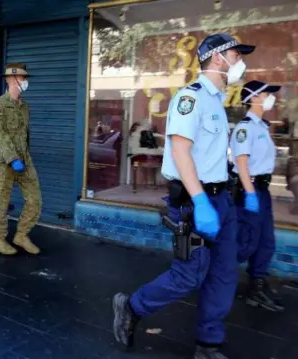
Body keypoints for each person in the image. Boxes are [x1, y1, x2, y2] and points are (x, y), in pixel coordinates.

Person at [112, 33, 255, 359]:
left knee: (223, 275)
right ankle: (132, 306)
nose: (241, 62)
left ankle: (208, 344)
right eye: (237, 55)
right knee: (189, 276)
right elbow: (180, 150)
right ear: (218, 58)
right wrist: (201, 201)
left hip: (221, 201)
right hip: (195, 203)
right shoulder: (190, 98)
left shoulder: (218, 101)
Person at [229, 80, 285, 312]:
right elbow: (241, 164)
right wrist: (250, 195)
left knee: (265, 242)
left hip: (262, 191)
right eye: (266, 94)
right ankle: (216, 277)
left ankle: (256, 288)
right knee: (247, 241)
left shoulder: (262, 126)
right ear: (253, 98)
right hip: (249, 191)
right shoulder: (245, 128)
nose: (271, 97)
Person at [0, 63, 42, 256]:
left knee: (35, 199)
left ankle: (21, 234)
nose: (25, 82)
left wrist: (23, 156)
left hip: (24, 159)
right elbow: (1, 135)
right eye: (22, 78)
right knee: (1, 202)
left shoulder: (24, 106)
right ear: (12, 79)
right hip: (5, 161)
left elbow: (25, 134)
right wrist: (12, 158)